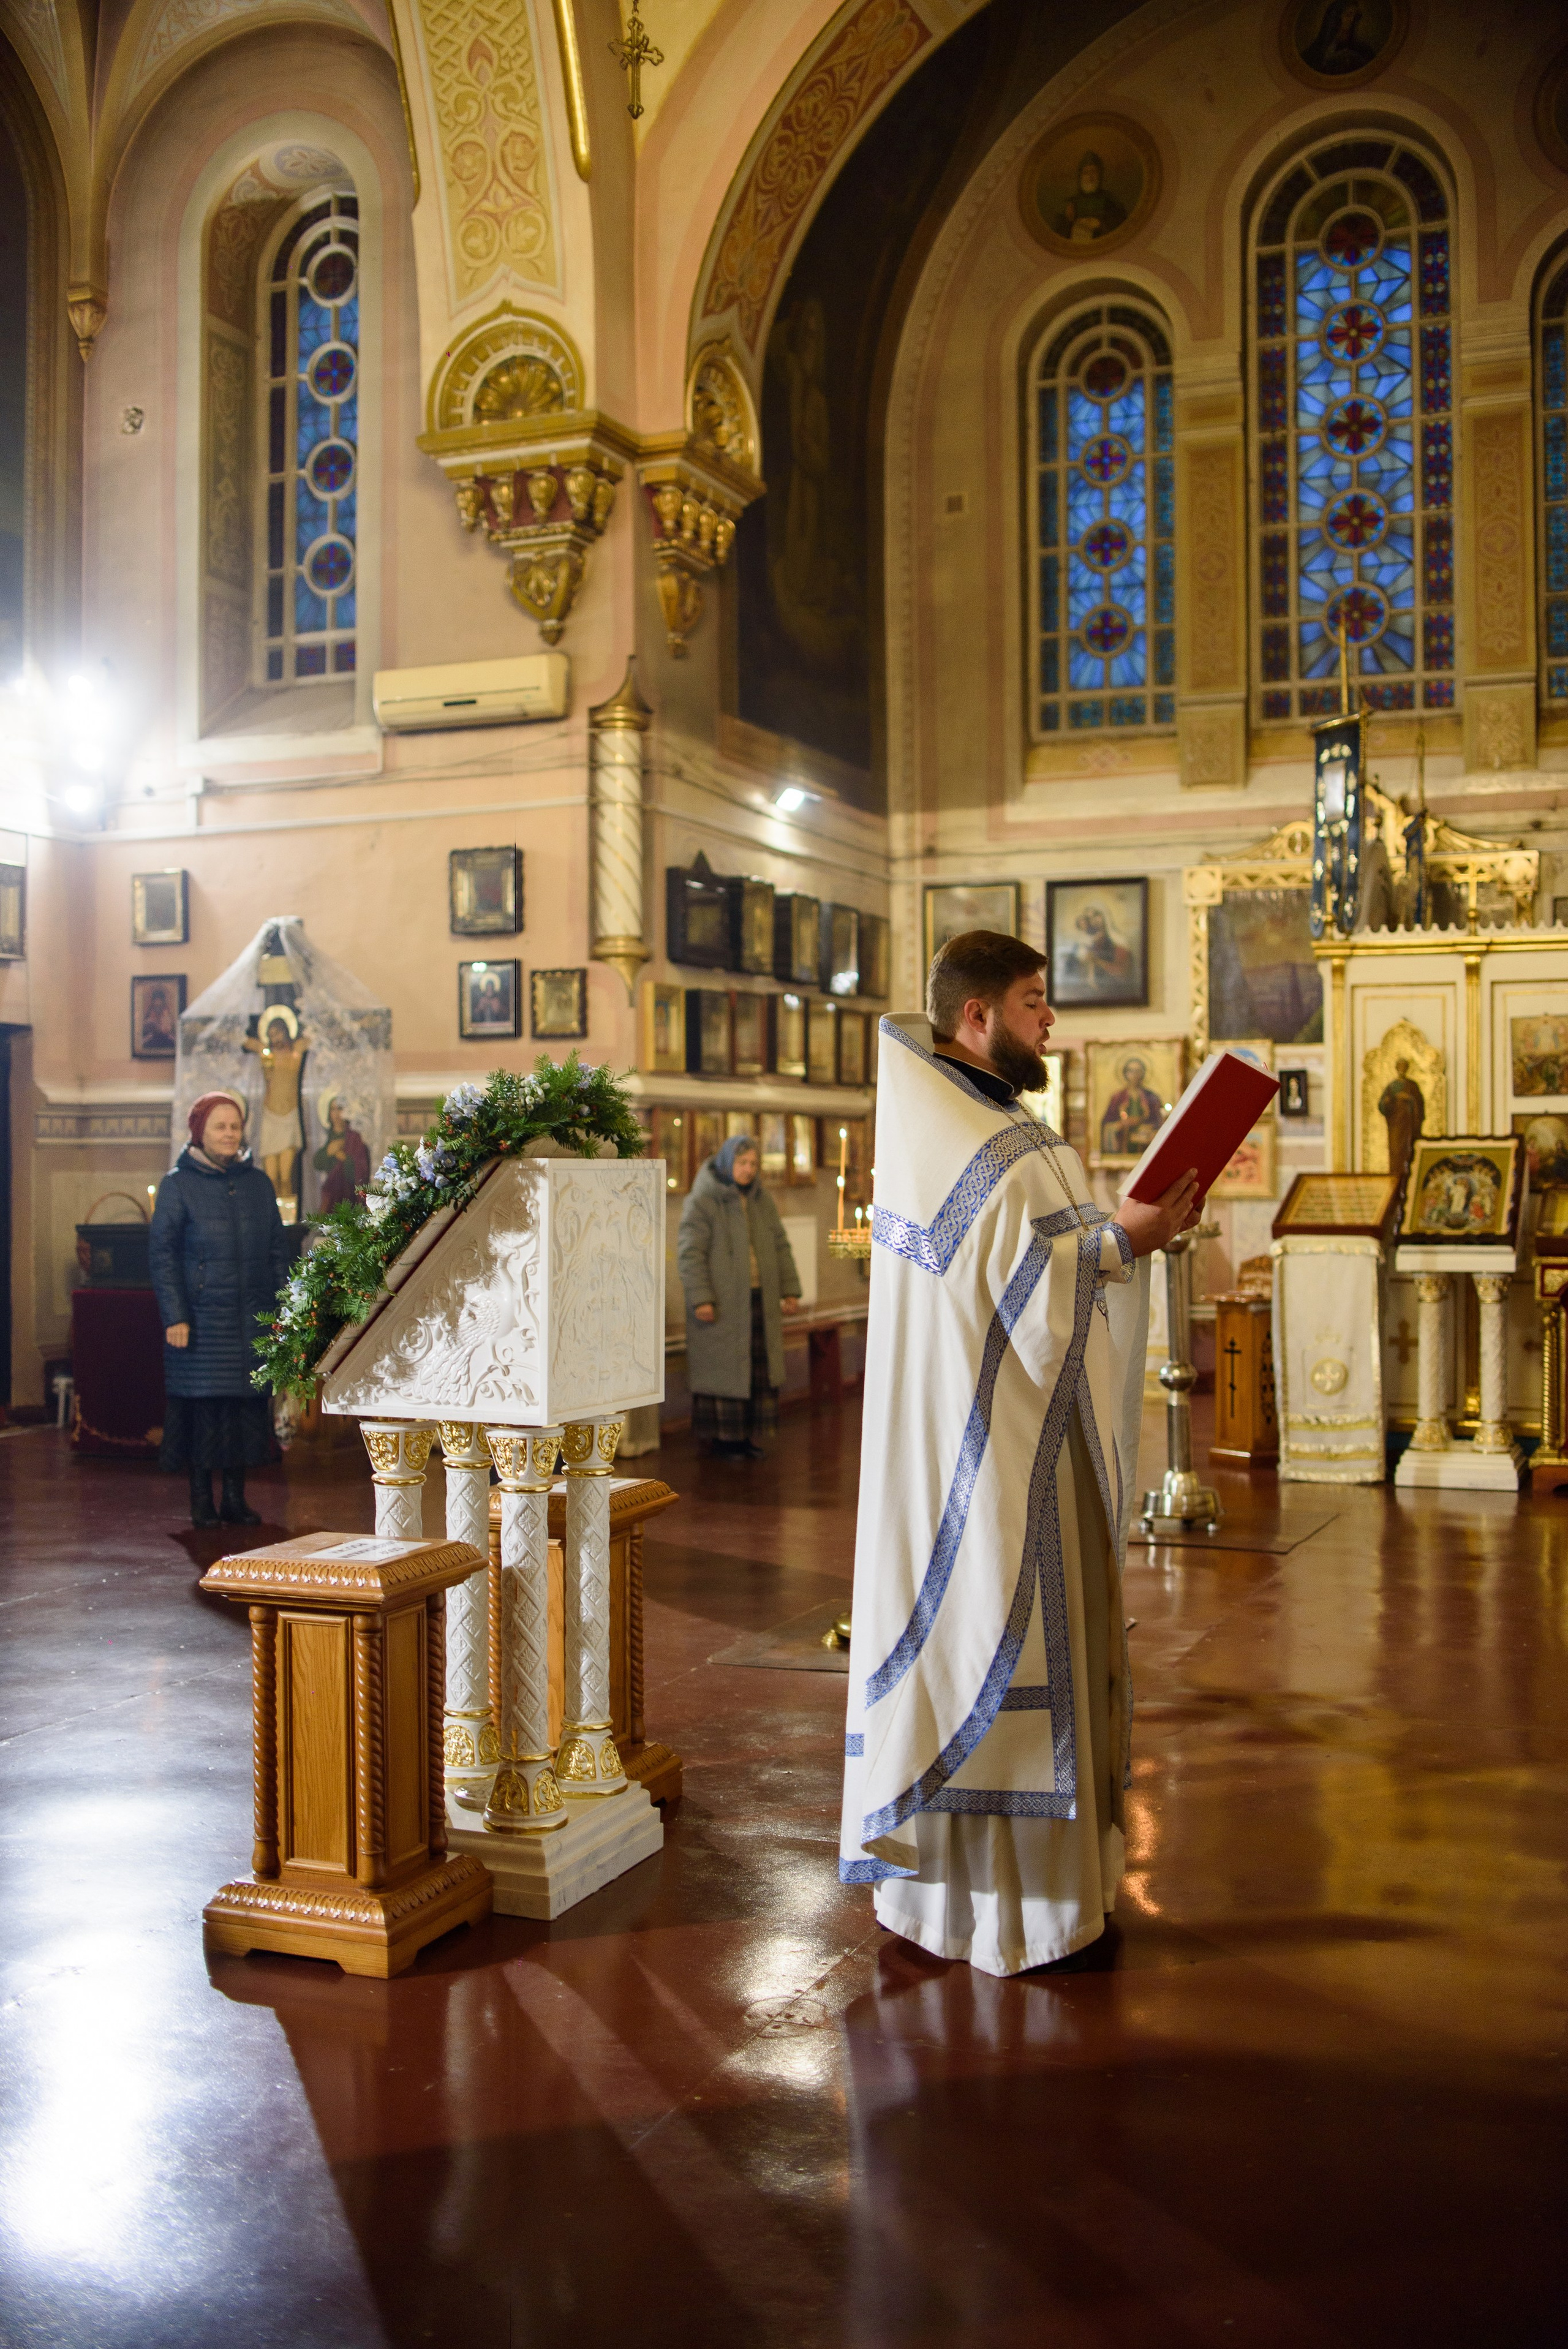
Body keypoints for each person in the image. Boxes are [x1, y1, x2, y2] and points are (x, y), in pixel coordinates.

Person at [838, 930, 1200, 1975]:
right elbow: (1018, 1283)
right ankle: (1001, 1913)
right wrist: (1121, 1240)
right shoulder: (958, 1133)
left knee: (1063, 1641)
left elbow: (1056, 1263)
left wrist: (1132, 1235)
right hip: (983, 1451)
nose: (1050, 1020)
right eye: (1034, 1000)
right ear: (977, 1015)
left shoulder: (1007, 1123)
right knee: (1000, 1635)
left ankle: (1057, 1898)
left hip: (1045, 1432)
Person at [149, 1090, 290, 1528]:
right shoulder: (178, 1184)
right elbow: (163, 1256)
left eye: (235, 1126)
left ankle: (234, 1499)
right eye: (220, 1127)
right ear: (200, 1132)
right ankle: (200, 1500)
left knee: (243, 1411)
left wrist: (285, 1311)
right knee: (204, 1413)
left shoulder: (258, 1183)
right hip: (201, 1323)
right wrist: (175, 1315)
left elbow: (276, 1251)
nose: (230, 1134)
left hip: (252, 1319)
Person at [677, 1133, 804, 1460]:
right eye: (742, 1162)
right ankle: (724, 1440)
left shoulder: (762, 1200)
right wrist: (701, 1298)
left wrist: (790, 1290)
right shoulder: (703, 1200)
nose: (748, 1170)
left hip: (758, 1300)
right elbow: (690, 1254)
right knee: (726, 1371)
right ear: (726, 1162)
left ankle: (745, 1437)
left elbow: (780, 1244)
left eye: (754, 1164)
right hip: (721, 1305)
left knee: (755, 1372)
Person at [242, 1006, 311, 1210]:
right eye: (271, 1034)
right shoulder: (267, 1054)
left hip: (289, 1116)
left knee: (286, 1177)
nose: (275, 1038)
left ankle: (286, 1217)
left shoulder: (296, 1052)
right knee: (270, 1177)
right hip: (270, 1118)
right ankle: (271, 1215)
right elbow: (244, 1041)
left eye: (278, 1033)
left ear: (286, 1032)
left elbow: (315, 1037)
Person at [312, 1093, 371, 1212]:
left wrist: (344, 1158)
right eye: (333, 1109)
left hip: (351, 1197)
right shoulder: (327, 1138)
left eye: (340, 1109)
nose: (336, 1114)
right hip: (331, 1198)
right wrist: (329, 1152)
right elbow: (318, 1163)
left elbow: (362, 1169)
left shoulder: (355, 1139)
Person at [1099, 1054, 1164, 1156]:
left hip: (1146, 1146)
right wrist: (1120, 1124)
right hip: (1123, 1143)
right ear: (1125, 1073)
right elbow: (1106, 1123)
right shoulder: (1118, 1098)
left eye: (1138, 1071)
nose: (1135, 1075)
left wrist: (1146, 1126)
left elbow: (1160, 1121)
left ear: (1143, 1073)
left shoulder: (1152, 1098)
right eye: (1131, 1071)